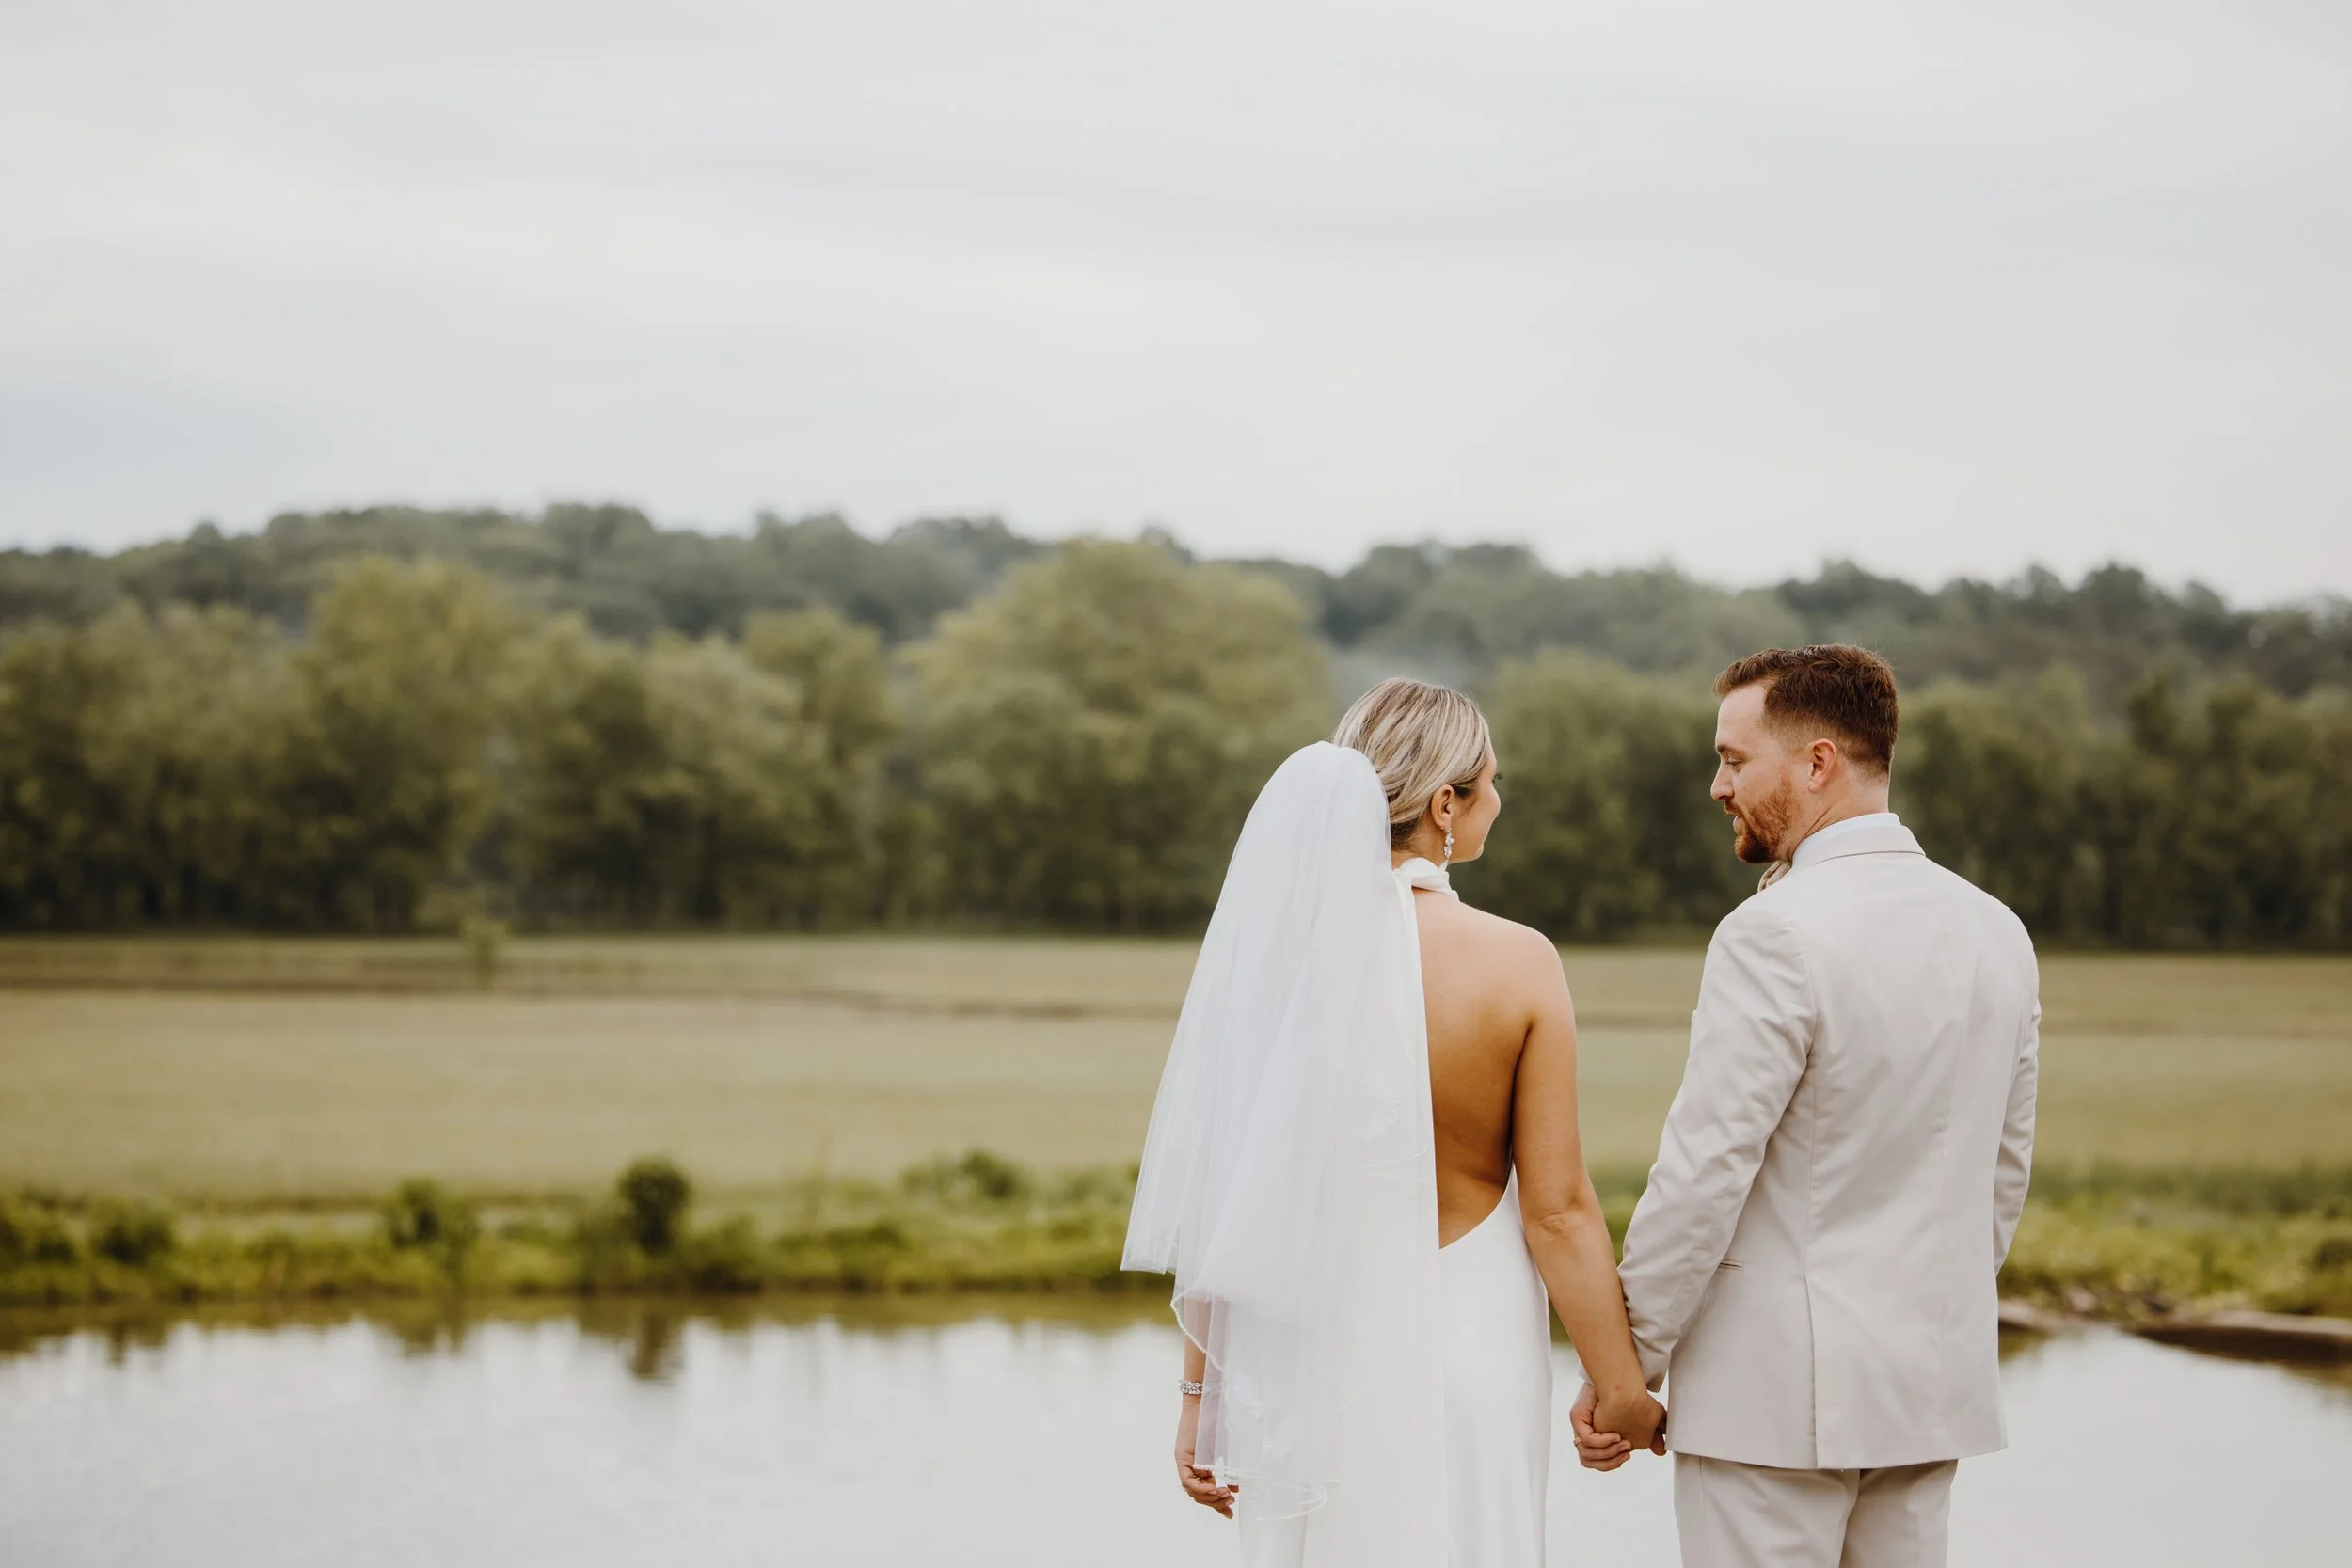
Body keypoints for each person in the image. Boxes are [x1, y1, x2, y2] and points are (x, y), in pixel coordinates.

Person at [1125, 676, 1661, 1566]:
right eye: (1490, 781)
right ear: (1445, 804)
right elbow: (1559, 1210)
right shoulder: (1519, 962)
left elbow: (1230, 1188)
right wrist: (1622, 1391)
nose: (1501, 797)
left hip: (1309, 1355)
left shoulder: (1281, 965)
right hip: (1469, 1344)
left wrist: (1201, 1397)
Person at [1573, 645, 2041, 1568]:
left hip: (1768, 1404)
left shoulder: (1773, 930)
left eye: (1735, 759)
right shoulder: (1996, 927)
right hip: (1926, 1388)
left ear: (1817, 761)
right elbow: (2002, 1171)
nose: (1717, 784)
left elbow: (1705, 1168)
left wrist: (1629, 1369)